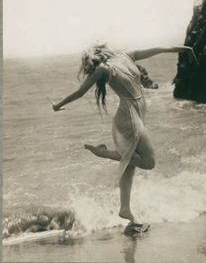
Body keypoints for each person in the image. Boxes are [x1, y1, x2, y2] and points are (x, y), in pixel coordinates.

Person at [52, 43, 197, 225]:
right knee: (148, 162)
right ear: (102, 51)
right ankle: (103, 153)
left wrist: (182, 48)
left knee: (131, 165)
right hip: (128, 116)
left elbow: (155, 49)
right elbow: (80, 92)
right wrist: (58, 105)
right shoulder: (104, 69)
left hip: (138, 111)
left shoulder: (126, 55)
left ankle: (125, 209)